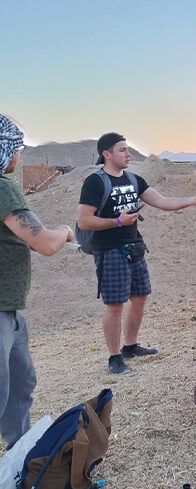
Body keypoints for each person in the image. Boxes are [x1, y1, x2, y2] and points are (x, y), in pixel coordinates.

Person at [77, 133, 196, 375]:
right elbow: (84, 221)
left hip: (134, 247)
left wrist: (191, 200)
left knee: (140, 297)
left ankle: (130, 346)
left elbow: (162, 201)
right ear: (106, 154)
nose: (128, 154)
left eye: (128, 150)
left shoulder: (134, 179)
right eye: (122, 150)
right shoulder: (95, 182)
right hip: (110, 251)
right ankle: (114, 357)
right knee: (115, 305)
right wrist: (118, 221)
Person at [0, 114, 75, 449]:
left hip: (11, 311)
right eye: (16, 146)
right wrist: (64, 231)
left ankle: (19, 460)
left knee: (19, 386)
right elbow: (43, 243)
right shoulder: (3, 189)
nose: (20, 153)